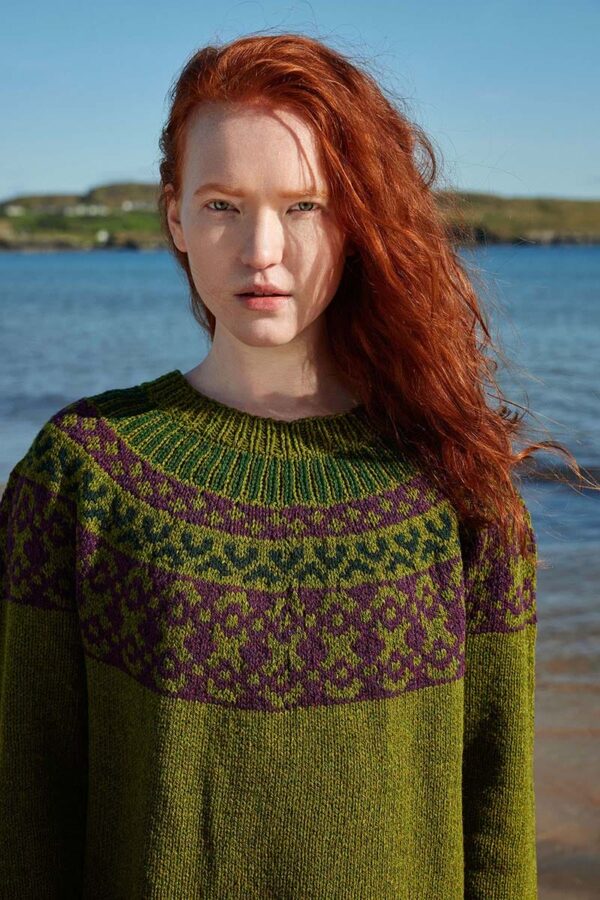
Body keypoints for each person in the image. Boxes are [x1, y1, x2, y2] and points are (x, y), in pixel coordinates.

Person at [0, 31, 584, 900]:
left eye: (304, 205)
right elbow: (26, 812)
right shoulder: (80, 476)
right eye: (223, 205)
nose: (261, 250)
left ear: (356, 220)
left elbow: (497, 815)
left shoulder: (457, 484)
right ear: (175, 217)